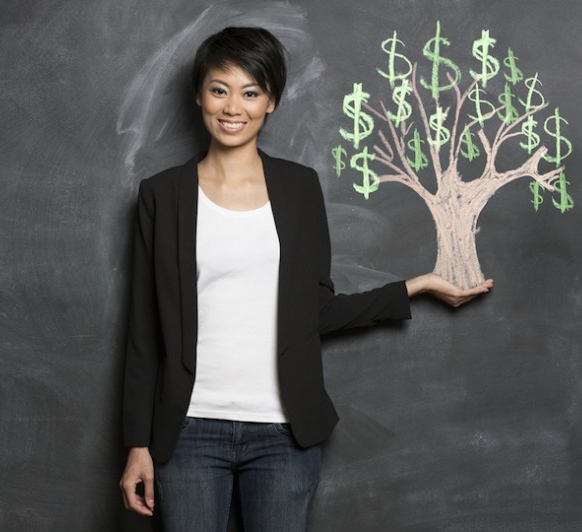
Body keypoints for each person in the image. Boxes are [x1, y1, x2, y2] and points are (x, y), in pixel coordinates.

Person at [119, 26, 493, 532]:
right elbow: (144, 332)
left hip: (283, 434)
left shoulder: (299, 189)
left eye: (251, 92)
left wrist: (417, 285)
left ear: (270, 101)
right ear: (199, 95)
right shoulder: (161, 195)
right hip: (187, 433)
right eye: (219, 89)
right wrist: (136, 443)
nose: (234, 107)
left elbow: (316, 310)